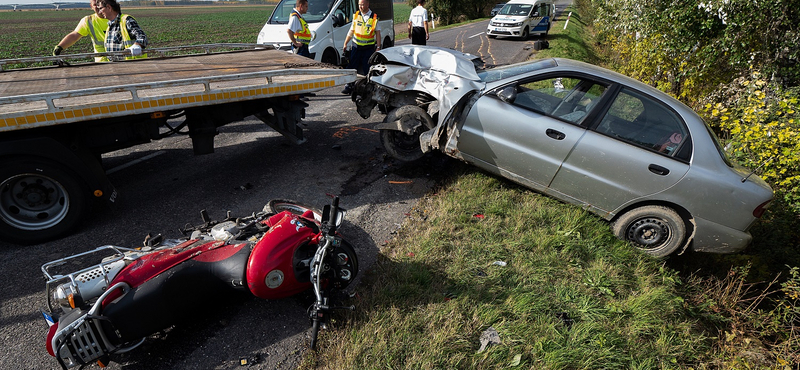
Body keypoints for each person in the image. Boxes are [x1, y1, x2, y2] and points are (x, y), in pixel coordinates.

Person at [341, 0, 381, 95]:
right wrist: (345, 43)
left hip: (368, 48)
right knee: (352, 66)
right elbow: (351, 31)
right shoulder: (356, 15)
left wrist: (378, 47)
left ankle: (369, 87)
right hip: (356, 47)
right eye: (359, 5)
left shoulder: (374, 17)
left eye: (362, 5)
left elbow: (378, 34)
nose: (360, 7)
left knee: (367, 68)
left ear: (367, 4)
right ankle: (349, 86)